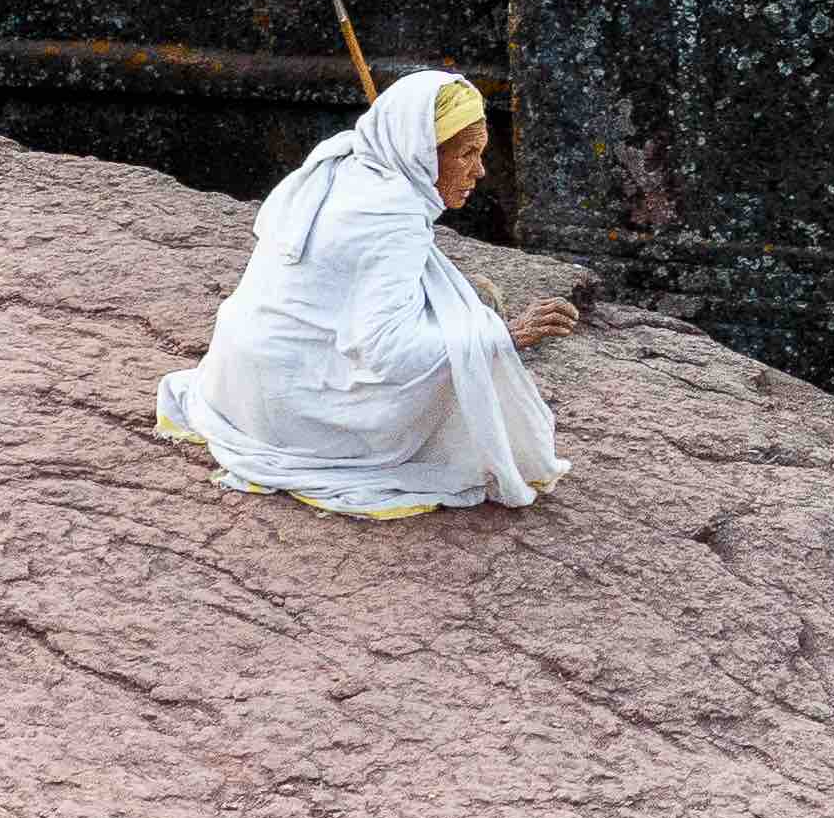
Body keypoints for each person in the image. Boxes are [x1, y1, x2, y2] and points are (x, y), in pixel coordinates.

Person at [154, 70, 576, 519]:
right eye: (467, 153)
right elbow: (386, 353)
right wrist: (506, 336)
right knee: (474, 345)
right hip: (288, 413)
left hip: (238, 383)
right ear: (421, 153)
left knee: (467, 307)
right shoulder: (393, 219)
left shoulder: (345, 160)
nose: (480, 170)